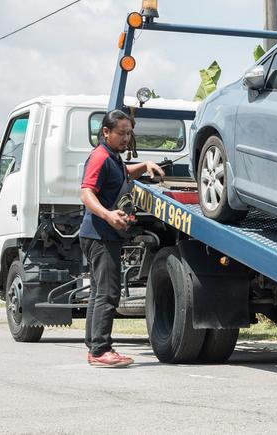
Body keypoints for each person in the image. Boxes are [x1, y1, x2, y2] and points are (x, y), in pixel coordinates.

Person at [80, 109, 164, 368]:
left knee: (98, 292)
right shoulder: (100, 157)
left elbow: (125, 173)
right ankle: (101, 350)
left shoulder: (113, 158)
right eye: (121, 133)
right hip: (100, 234)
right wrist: (107, 215)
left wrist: (145, 165)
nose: (126, 138)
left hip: (101, 234)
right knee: (108, 292)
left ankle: (94, 345)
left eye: (129, 133)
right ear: (106, 132)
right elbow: (86, 192)